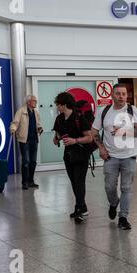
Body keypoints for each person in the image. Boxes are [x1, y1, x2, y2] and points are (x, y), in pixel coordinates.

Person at [92, 84, 137, 230]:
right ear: (112, 95)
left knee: (126, 187)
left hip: (129, 155)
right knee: (109, 186)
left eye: (123, 94)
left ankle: (123, 217)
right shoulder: (104, 111)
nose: (121, 96)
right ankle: (114, 203)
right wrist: (101, 148)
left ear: (126, 95)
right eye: (118, 93)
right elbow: (94, 131)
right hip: (110, 156)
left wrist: (124, 131)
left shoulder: (133, 111)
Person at [52, 92, 92, 224]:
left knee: (79, 182)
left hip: (81, 155)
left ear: (64, 105)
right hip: (68, 156)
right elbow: (58, 134)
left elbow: (89, 137)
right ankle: (83, 207)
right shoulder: (59, 119)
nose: (57, 106)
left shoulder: (79, 118)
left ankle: (79, 209)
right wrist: (56, 139)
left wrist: (75, 140)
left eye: (58, 104)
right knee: (74, 183)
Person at [10, 95, 43, 190]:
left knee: (33, 161)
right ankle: (24, 182)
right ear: (29, 102)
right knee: (26, 161)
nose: (36, 102)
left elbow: (38, 124)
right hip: (24, 140)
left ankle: (31, 181)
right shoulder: (21, 111)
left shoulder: (36, 112)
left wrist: (40, 128)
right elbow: (15, 123)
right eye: (34, 101)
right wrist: (13, 129)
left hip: (34, 140)